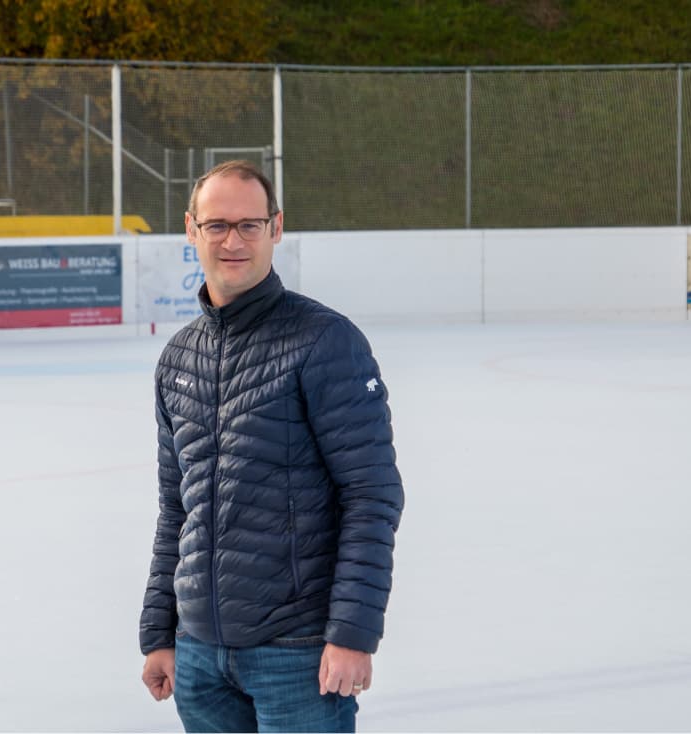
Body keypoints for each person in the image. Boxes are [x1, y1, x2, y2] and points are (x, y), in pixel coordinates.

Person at [139, 160, 404, 733]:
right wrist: (160, 633)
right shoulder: (178, 358)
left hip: (297, 653)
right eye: (216, 225)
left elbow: (372, 494)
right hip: (200, 658)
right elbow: (176, 510)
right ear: (191, 229)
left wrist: (352, 634)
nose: (232, 241)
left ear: (275, 229)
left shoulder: (325, 341)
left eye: (249, 225)